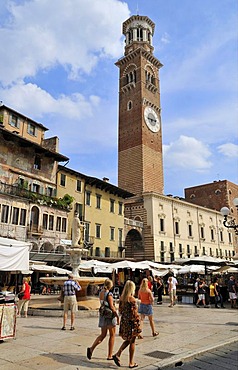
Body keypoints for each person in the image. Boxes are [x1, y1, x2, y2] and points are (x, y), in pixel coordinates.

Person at [87, 279, 119, 361]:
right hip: (109, 316)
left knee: (103, 335)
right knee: (112, 335)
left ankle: (91, 348)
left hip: (103, 315)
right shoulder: (109, 294)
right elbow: (111, 306)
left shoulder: (101, 293)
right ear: (110, 285)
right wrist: (117, 316)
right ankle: (109, 355)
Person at [112, 280, 141, 368]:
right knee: (132, 341)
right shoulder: (131, 299)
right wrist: (138, 323)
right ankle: (131, 363)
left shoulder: (122, 298)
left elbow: (120, 310)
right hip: (131, 322)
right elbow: (135, 313)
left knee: (128, 340)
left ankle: (117, 354)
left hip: (124, 321)